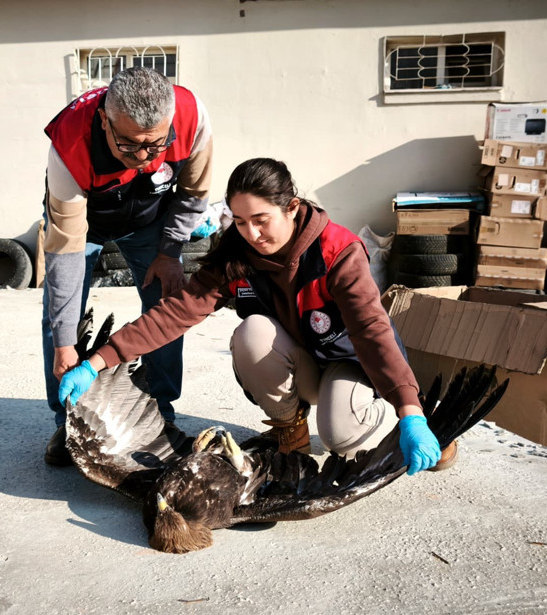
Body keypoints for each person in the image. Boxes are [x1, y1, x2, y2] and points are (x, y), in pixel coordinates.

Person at [58, 157, 457, 475]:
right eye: (240, 220)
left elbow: (372, 331)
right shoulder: (237, 253)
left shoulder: (338, 252)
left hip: (353, 365)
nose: (251, 233)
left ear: (293, 208)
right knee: (252, 333)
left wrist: (410, 411)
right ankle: (290, 430)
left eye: (261, 220)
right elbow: (176, 313)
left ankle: (420, 427)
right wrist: (97, 362)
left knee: (340, 437)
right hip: (303, 362)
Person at [40, 67, 213, 466]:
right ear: (104, 120)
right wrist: (65, 342)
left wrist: (170, 252)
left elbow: (193, 194)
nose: (142, 158)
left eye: (155, 146)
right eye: (130, 146)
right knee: (59, 321)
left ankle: (159, 411)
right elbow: (66, 247)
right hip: (87, 221)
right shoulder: (70, 145)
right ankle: (65, 420)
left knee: (166, 303)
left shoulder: (192, 117)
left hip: (152, 218)